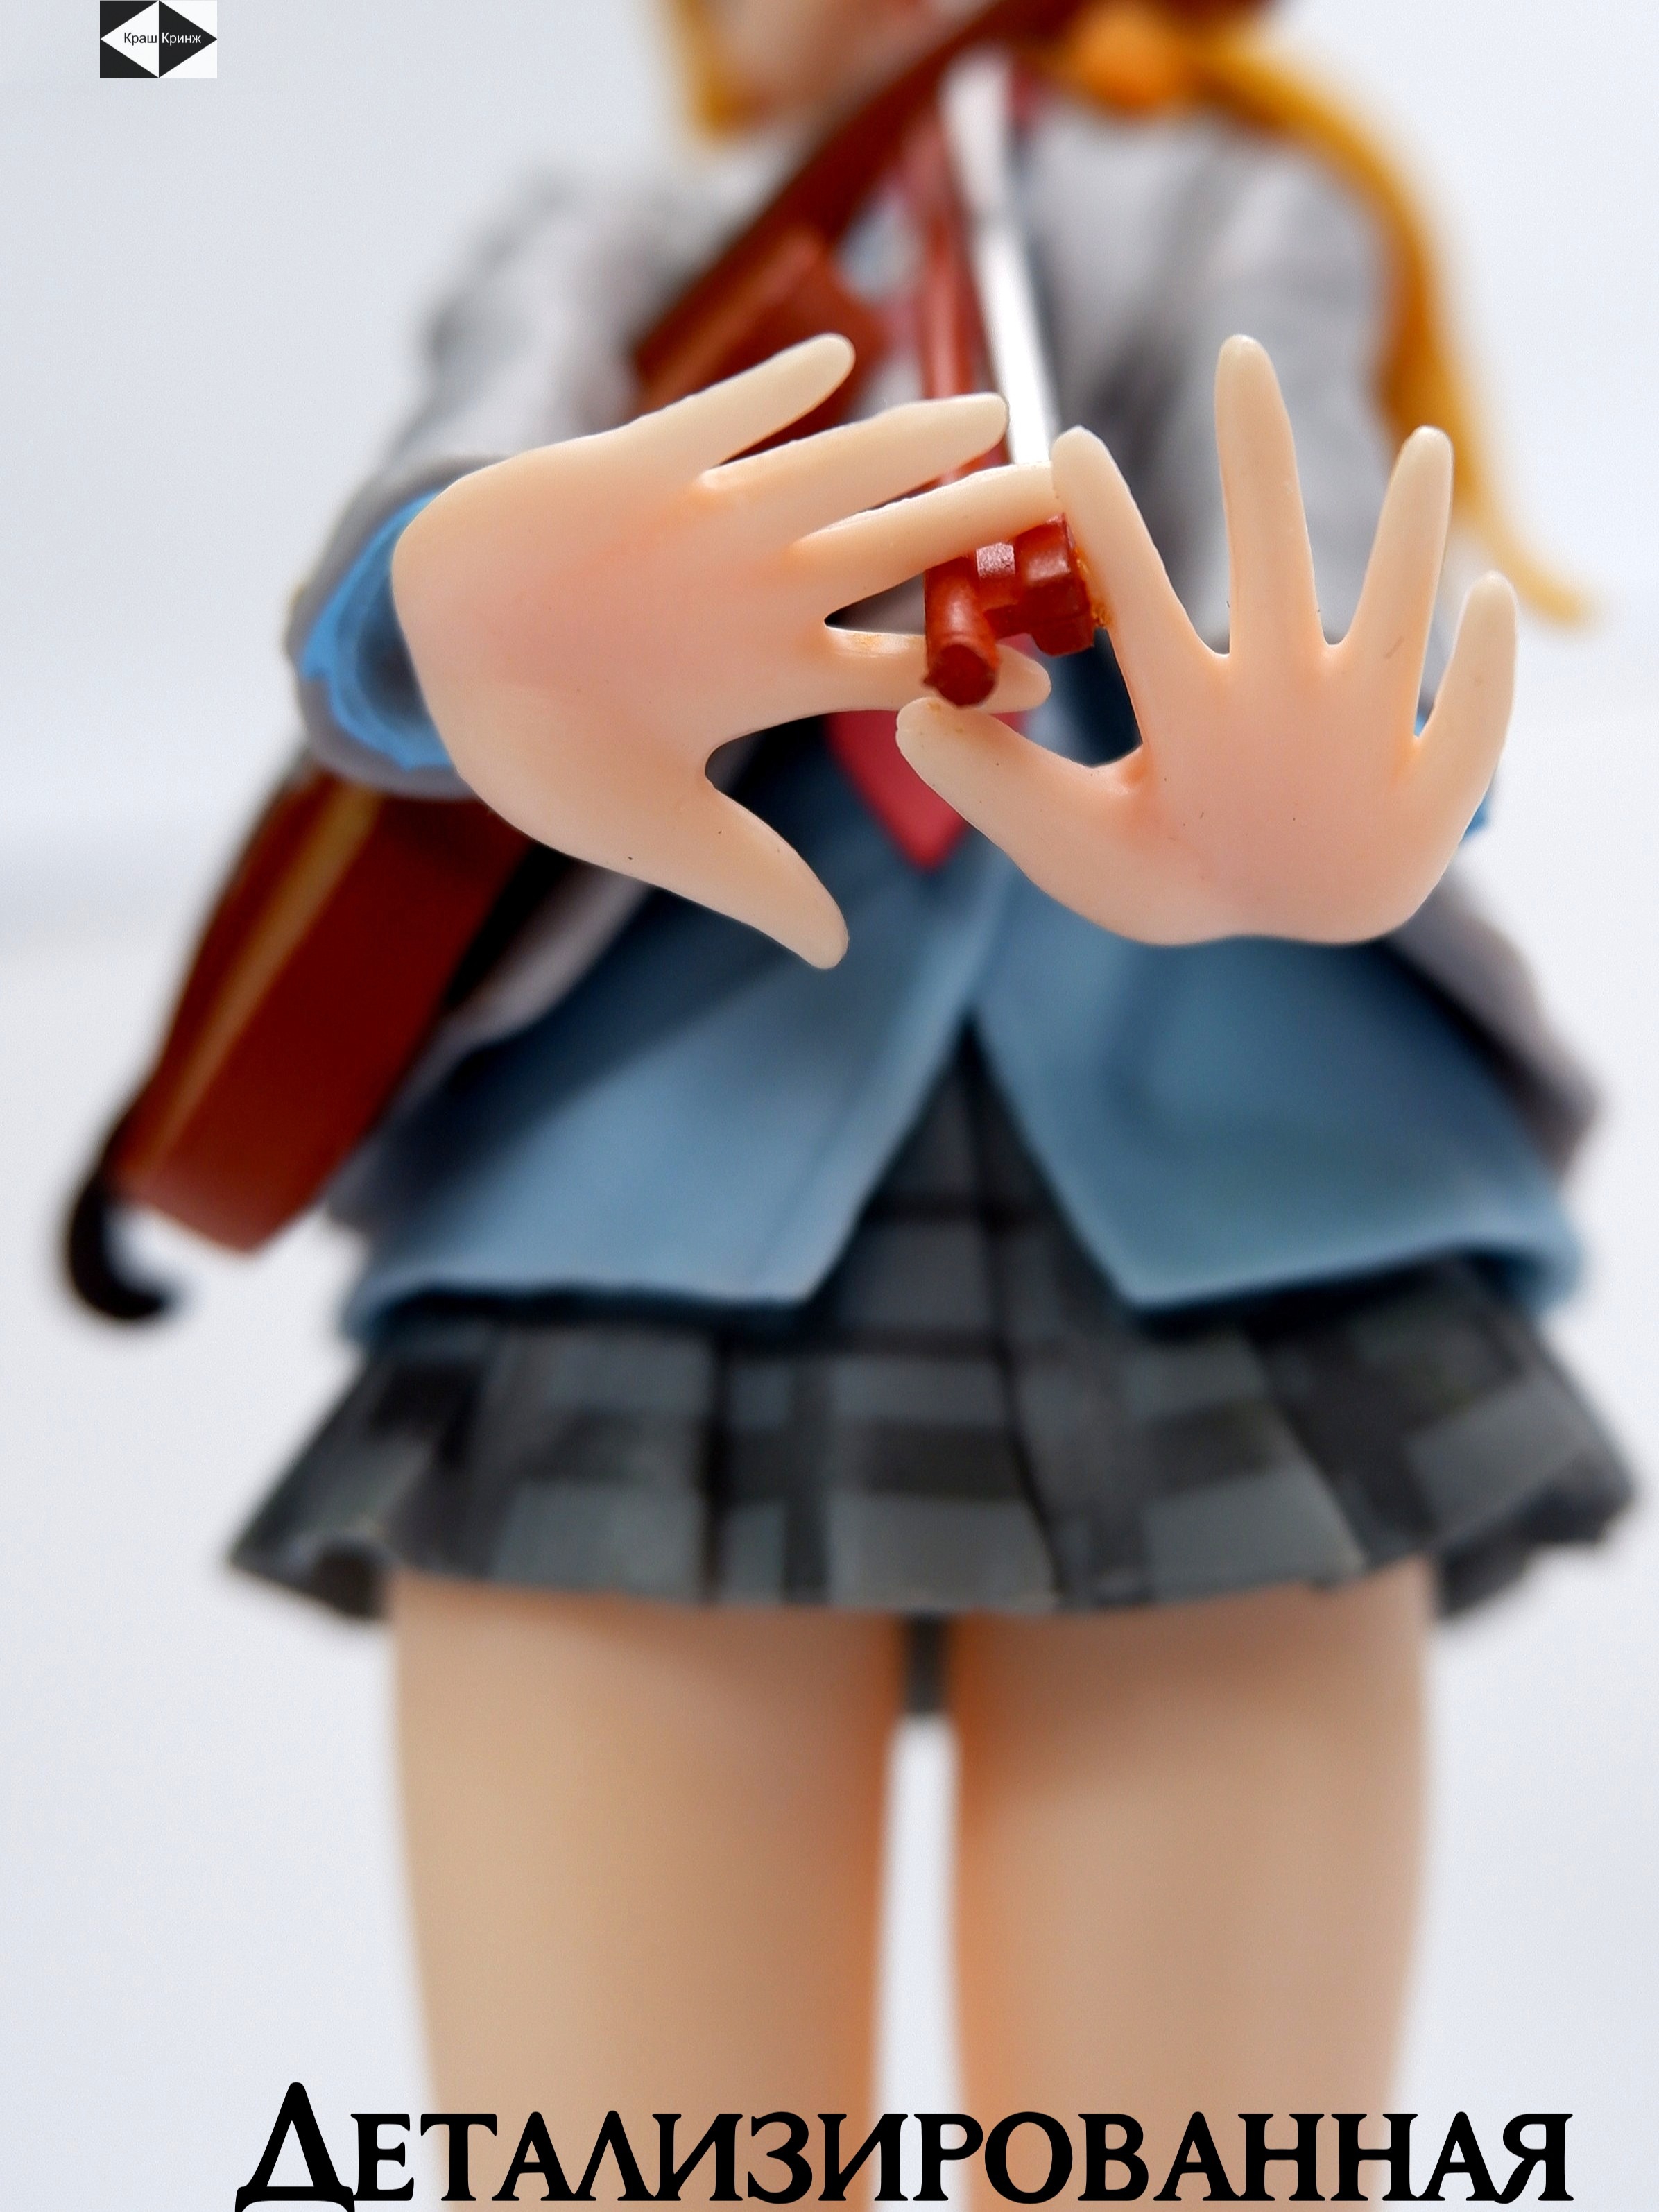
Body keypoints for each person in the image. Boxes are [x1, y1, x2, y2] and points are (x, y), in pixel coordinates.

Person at [225, 0, 1629, 2188]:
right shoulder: (638, 225)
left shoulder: (1228, 204)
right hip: (653, 1171)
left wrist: (1344, 762)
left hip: (1225, 1170)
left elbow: (1312, 516)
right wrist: (454, 606)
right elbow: (466, 457)